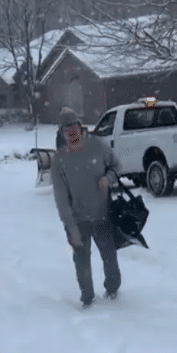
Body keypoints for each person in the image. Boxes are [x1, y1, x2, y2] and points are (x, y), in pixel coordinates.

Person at [51, 107, 122, 307]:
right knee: (82, 261)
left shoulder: (98, 146)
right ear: (62, 134)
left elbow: (117, 166)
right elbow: (61, 199)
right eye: (67, 132)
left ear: (81, 128)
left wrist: (108, 178)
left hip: (102, 215)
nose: (72, 135)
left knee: (109, 257)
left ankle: (113, 292)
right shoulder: (59, 160)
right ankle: (87, 298)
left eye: (74, 130)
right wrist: (70, 227)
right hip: (78, 218)